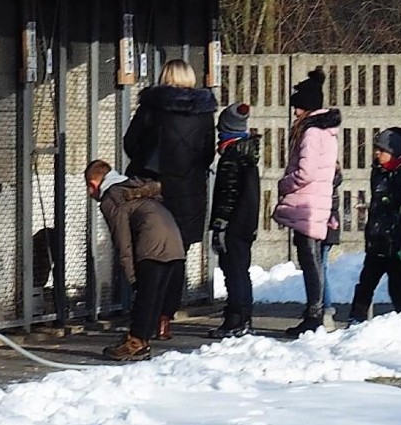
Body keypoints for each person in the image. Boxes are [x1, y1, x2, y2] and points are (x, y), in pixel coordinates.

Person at [123, 59, 217, 340]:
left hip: (156, 190)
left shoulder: (152, 107)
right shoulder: (204, 113)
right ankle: (166, 318)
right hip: (189, 193)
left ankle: (145, 319)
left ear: (165, 76)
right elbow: (208, 153)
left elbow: (131, 143)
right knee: (178, 257)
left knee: (150, 256)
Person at [85, 159, 186, 361]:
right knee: (153, 296)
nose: (89, 193)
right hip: (174, 243)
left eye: (88, 187)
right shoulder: (133, 188)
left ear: (94, 184)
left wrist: (131, 276)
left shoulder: (112, 197)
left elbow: (122, 240)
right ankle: (142, 342)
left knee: (144, 296)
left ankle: (136, 342)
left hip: (152, 244)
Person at [272, 68, 341, 338]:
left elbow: (305, 172)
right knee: (314, 261)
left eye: (297, 107)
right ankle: (315, 312)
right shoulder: (326, 131)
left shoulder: (311, 133)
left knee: (310, 261)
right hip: (317, 203)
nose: (294, 113)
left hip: (307, 204)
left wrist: (284, 184)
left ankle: (314, 315)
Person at [348, 128, 401, 325]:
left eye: (382, 150)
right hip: (377, 242)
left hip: (396, 244)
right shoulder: (379, 175)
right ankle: (356, 319)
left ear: (395, 152)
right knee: (365, 283)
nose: (377, 154)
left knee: (397, 286)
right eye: (376, 149)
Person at [208, 103, 261, 338]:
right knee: (242, 270)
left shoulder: (231, 158)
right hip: (247, 223)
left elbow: (227, 195)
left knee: (233, 271)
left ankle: (234, 320)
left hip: (233, 224)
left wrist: (220, 224)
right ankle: (244, 317)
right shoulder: (248, 155)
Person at [321, 164, 342, 332]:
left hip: (325, 224)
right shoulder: (332, 173)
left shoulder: (326, 174)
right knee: (321, 266)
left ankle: (326, 308)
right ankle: (324, 307)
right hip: (329, 223)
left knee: (320, 267)